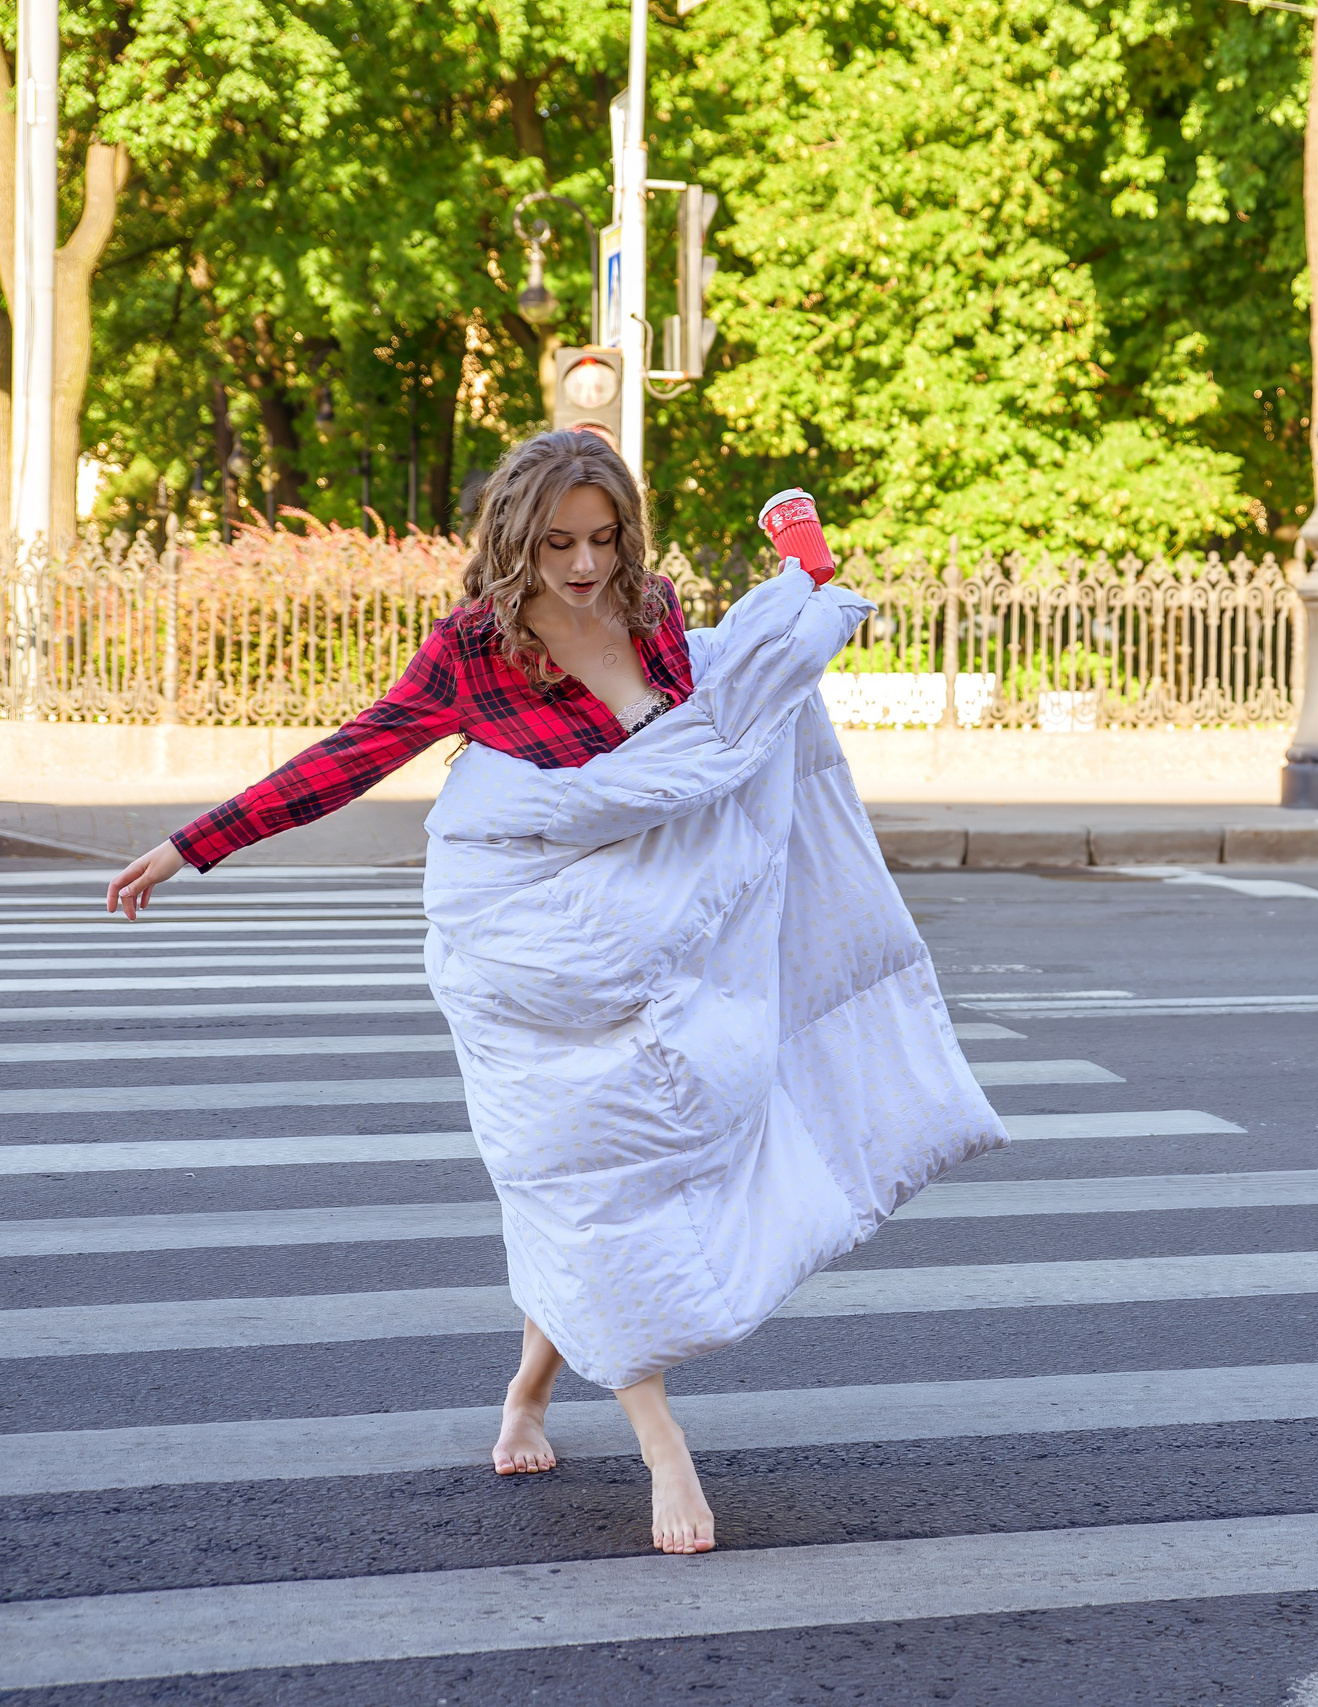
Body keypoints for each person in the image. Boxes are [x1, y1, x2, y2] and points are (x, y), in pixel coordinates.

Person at [104, 433, 1005, 1554]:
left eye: (603, 536)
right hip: (542, 972)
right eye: (557, 543)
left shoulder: (658, 613)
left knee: (603, 1194)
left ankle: (529, 1390)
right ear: (513, 540)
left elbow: (712, 741)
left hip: (666, 965)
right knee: (591, 1191)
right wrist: (192, 847)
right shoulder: (472, 653)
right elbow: (352, 755)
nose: (583, 565)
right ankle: (661, 1444)